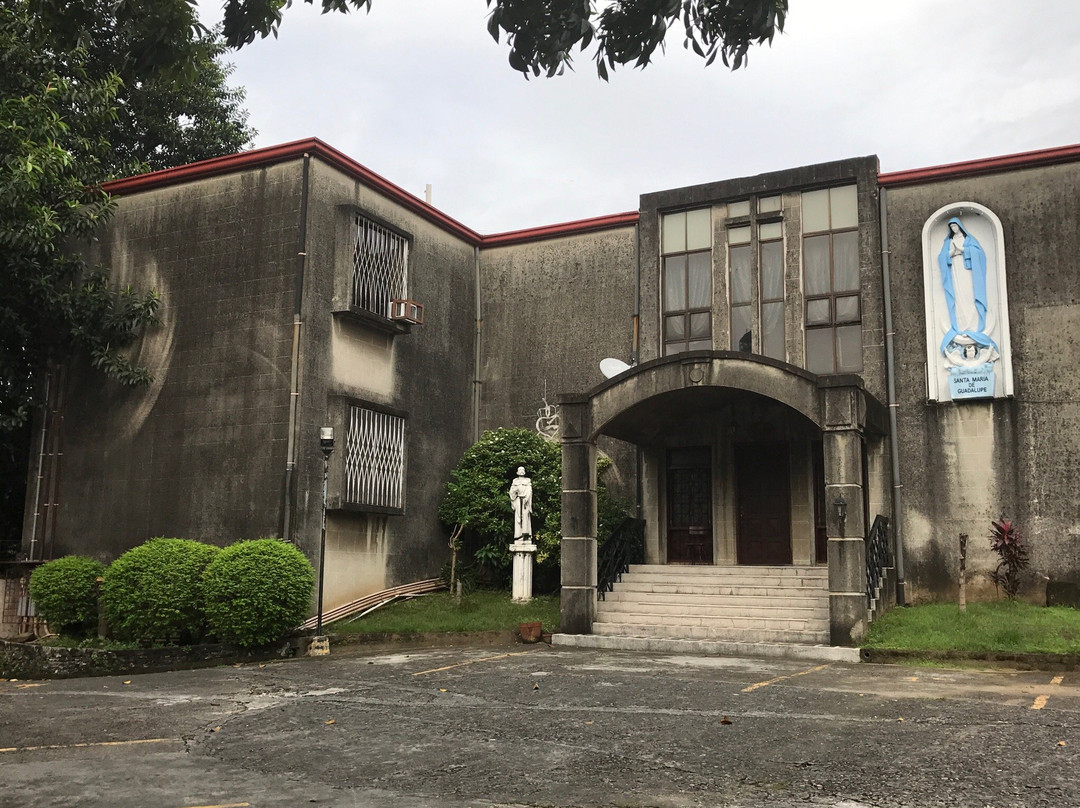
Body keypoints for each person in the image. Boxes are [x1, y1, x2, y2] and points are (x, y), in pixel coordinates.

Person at [937, 217, 998, 357]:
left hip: (968, 273)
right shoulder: (948, 242)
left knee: (970, 296)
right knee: (959, 298)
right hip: (955, 272)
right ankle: (962, 326)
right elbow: (941, 257)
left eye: (955, 226)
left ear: (960, 226)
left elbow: (979, 254)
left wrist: (964, 250)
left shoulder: (969, 240)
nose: (953, 229)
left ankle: (974, 326)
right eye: (951, 227)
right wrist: (951, 253)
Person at [509, 466, 532, 540]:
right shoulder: (515, 481)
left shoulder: (528, 480)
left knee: (525, 516)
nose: (521, 471)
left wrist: (527, 498)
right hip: (518, 500)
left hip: (525, 500)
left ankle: (526, 534)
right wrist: (514, 491)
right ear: (517, 472)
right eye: (520, 470)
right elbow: (511, 492)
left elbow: (529, 491)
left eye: (523, 470)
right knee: (518, 517)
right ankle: (518, 535)